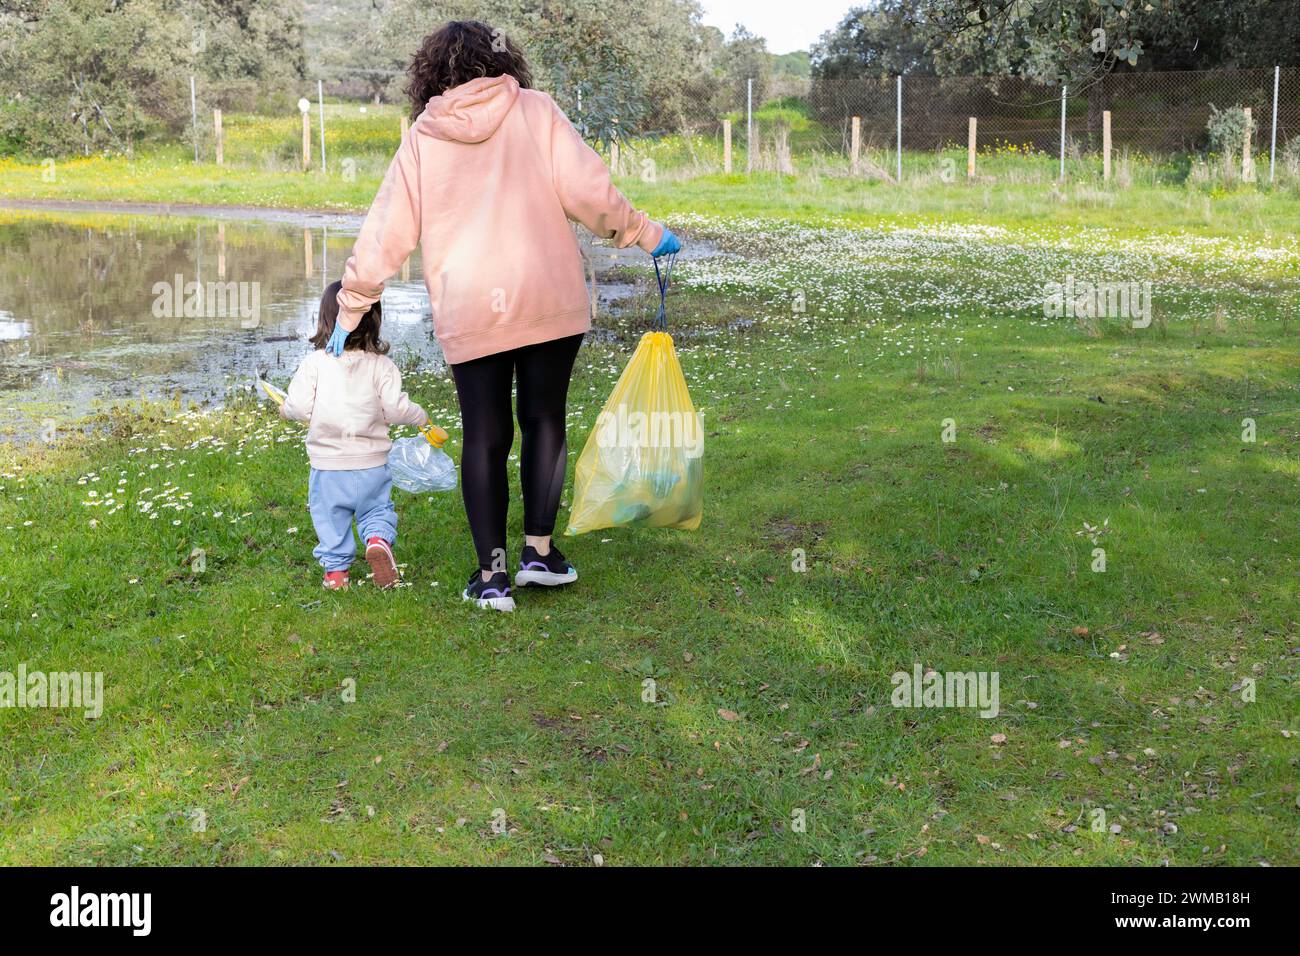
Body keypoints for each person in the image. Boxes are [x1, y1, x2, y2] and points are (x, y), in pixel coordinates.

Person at [329, 19, 682, 612]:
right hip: (548, 298)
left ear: (432, 74)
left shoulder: (423, 136)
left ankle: (493, 578)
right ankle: (538, 554)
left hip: (471, 308)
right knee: (545, 419)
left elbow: (386, 231)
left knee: (486, 436)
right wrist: (644, 232)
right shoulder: (536, 111)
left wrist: (352, 305)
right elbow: (589, 192)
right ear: (502, 62)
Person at [282, 281, 429, 591]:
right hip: (371, 465)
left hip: (328, 467)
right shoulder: (382, 366)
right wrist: (420, 416)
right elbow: (395, 408)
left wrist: (287, 410)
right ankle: (377, 540)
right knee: (376, 510)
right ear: (374, 320)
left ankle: (336, 575)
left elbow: (298, 405)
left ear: (323, 320)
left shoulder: (315, 364)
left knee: (330, 519)